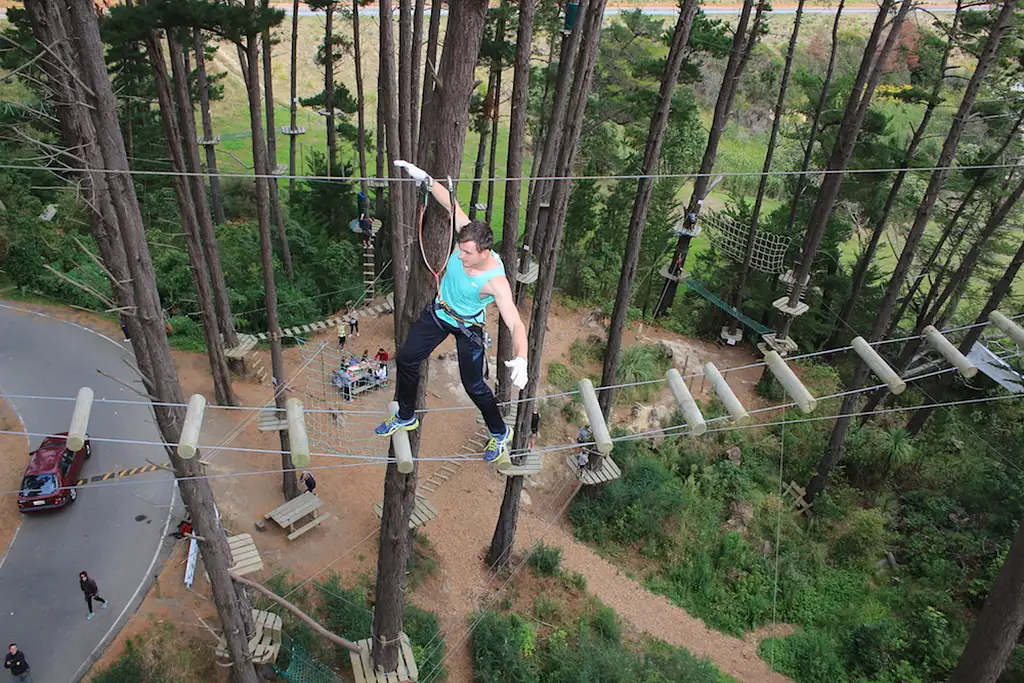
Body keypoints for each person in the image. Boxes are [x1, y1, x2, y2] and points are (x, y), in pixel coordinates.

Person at [375, 160, 529, 464]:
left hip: (468, 327)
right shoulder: (469, 236)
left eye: (466, 253)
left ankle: (499, 432)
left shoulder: (496, 281)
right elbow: (451, 203)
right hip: (440, 312)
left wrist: (521, 358)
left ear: (484, 252)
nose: (459, 255)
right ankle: (406, 415)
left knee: (473, 386)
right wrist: (426, 179)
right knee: (407, 358)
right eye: (460, 249)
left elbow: (516, 324)